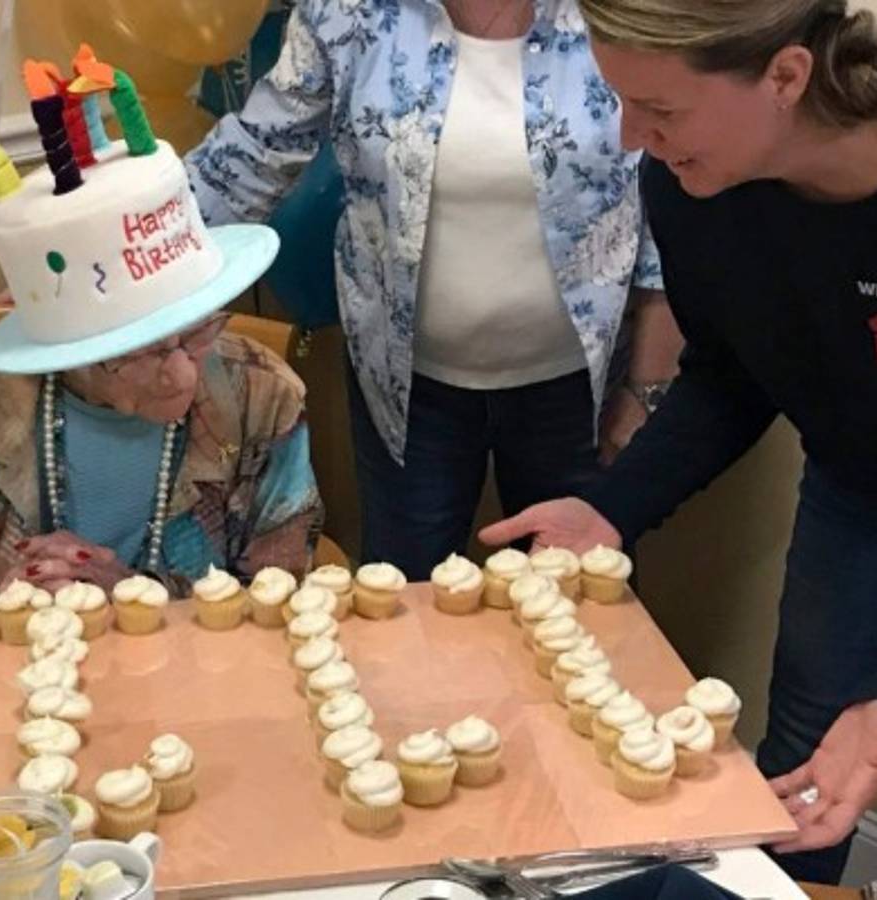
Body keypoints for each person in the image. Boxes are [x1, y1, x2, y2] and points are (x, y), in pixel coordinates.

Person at [481, 1, 877, 895]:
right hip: (861, 500)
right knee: (797, 774)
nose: (634, 137)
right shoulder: (693, 181)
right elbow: (732, 373)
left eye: (660, 110)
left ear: (786, 77)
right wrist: (614, 504)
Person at [185, 0, 683, 579]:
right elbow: (251, 156)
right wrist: (137, 250)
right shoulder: (348, 13)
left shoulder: (619, 13)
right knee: (404, 607)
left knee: (581, 610)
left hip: (579, 397)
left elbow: (667, 208)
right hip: (409, 396)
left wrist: (646, 394)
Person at [0, 309, 323, 633]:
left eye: (196, 332)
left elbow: (284, 599)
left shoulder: (262, 394)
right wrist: (0, 608)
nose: (184, 375)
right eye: (146, 349)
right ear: (69, 348)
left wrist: (138, 597)